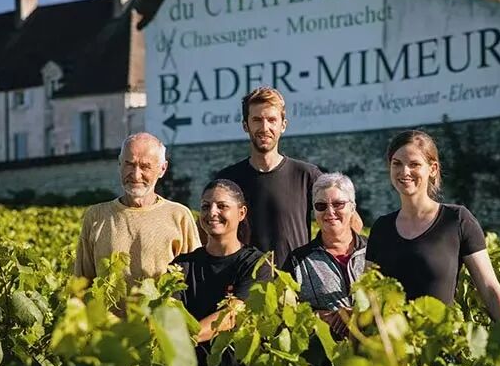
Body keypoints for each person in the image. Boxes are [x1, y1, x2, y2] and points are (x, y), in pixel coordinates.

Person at [366, 130, 500, 321]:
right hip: (389, 340)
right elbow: (367, 297)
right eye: (397, 164)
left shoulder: (457, 220)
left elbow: (490, 290)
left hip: (439, 338)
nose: (405, 171)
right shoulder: (381, 228)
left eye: (414, 164)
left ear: (432, 169)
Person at [216, 86, 362, 267]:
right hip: (243, 280)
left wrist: (330, 266)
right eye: (257, 120)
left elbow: (352, 222)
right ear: (245, 125)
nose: (265, 127)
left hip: (296, 281)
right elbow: (208, 234)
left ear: (283, 125)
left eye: (272, 120)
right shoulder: (227, 181)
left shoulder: (307, 175)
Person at [74, 132, 201, 284]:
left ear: (162, 169)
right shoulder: (96, 216)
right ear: (120, 164)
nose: (136, 175)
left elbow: (194, 281)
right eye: (129, 164)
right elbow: (81, 283)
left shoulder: (179, 216)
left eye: (145, 166)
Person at [173, 179, 271, 343]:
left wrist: (185, 340)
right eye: (206, 206)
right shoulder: (181, 266)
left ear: (241, 213)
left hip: (236, 361)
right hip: (187, 359)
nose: (212, 212)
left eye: (222, 206)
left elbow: (232, 315)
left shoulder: (256, 265)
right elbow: (170, 314)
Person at [284, 173, 366, 337]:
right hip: (322, 351)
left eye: (338, 204)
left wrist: (358, 315)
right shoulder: (297, 260)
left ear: (352, 208)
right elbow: (285, 313)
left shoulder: (376, 250)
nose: (330, 212)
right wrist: (319, 317)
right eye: (321, 206)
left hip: (376, 349)